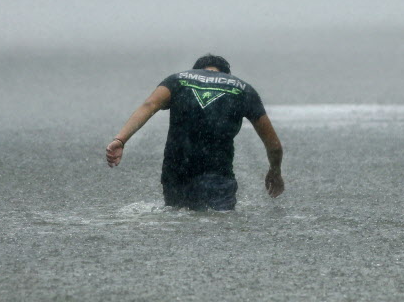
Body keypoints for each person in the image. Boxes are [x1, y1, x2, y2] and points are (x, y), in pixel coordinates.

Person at [105, 54, 284, 211]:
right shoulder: (244, 90)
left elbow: (149, 105)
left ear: (196, 70)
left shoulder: (177, 80)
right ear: (226, 73)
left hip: (175, 171)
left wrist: (120, 140)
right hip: (217, 175)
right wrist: (275, 171)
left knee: (178, 222)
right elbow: (273, 144)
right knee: (217, 227)